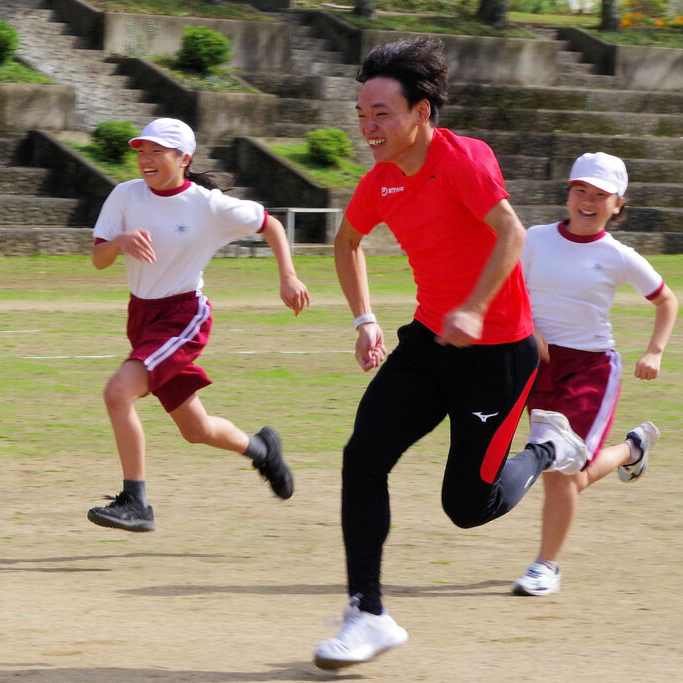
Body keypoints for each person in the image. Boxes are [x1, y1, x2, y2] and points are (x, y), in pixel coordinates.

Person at [312, 38, 589, 670]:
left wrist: (475, 307)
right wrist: (365, 318)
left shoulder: (464, 160)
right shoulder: (380, 183)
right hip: (429, 342)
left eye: (382, 113)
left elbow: (511, 234)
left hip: (498, 355)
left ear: (421, 113)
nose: (368, 127)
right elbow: (347, 242)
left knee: (467, 507)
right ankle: (367, 613)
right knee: (363, 455)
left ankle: (551, 448)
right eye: (361, 113)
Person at [87, 117, 310, 532]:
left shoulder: (208, 204)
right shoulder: (124, 195)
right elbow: (99, 259)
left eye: (157, 151)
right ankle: (262, 450)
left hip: (184, 316)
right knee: (196, 429)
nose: (145, 159)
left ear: (183, 158)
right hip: (142, 317)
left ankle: (135, 502)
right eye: (141, 151)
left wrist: (288, 276)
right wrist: (119, 243)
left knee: (118, 393)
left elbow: (270, 224)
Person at [511, 152, 679, 596]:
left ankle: (546, 566)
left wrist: (655, 352)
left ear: (618, 204)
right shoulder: (534, 239)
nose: (587, 201)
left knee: (559, 472)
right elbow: (510, 288)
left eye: (600, 195)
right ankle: (631, 449)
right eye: (579, 190)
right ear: (567, 193)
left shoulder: (619, 256)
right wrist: (528, 331)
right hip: (539, 365)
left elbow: (667, 301)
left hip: (590, 371)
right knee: (565, 475)